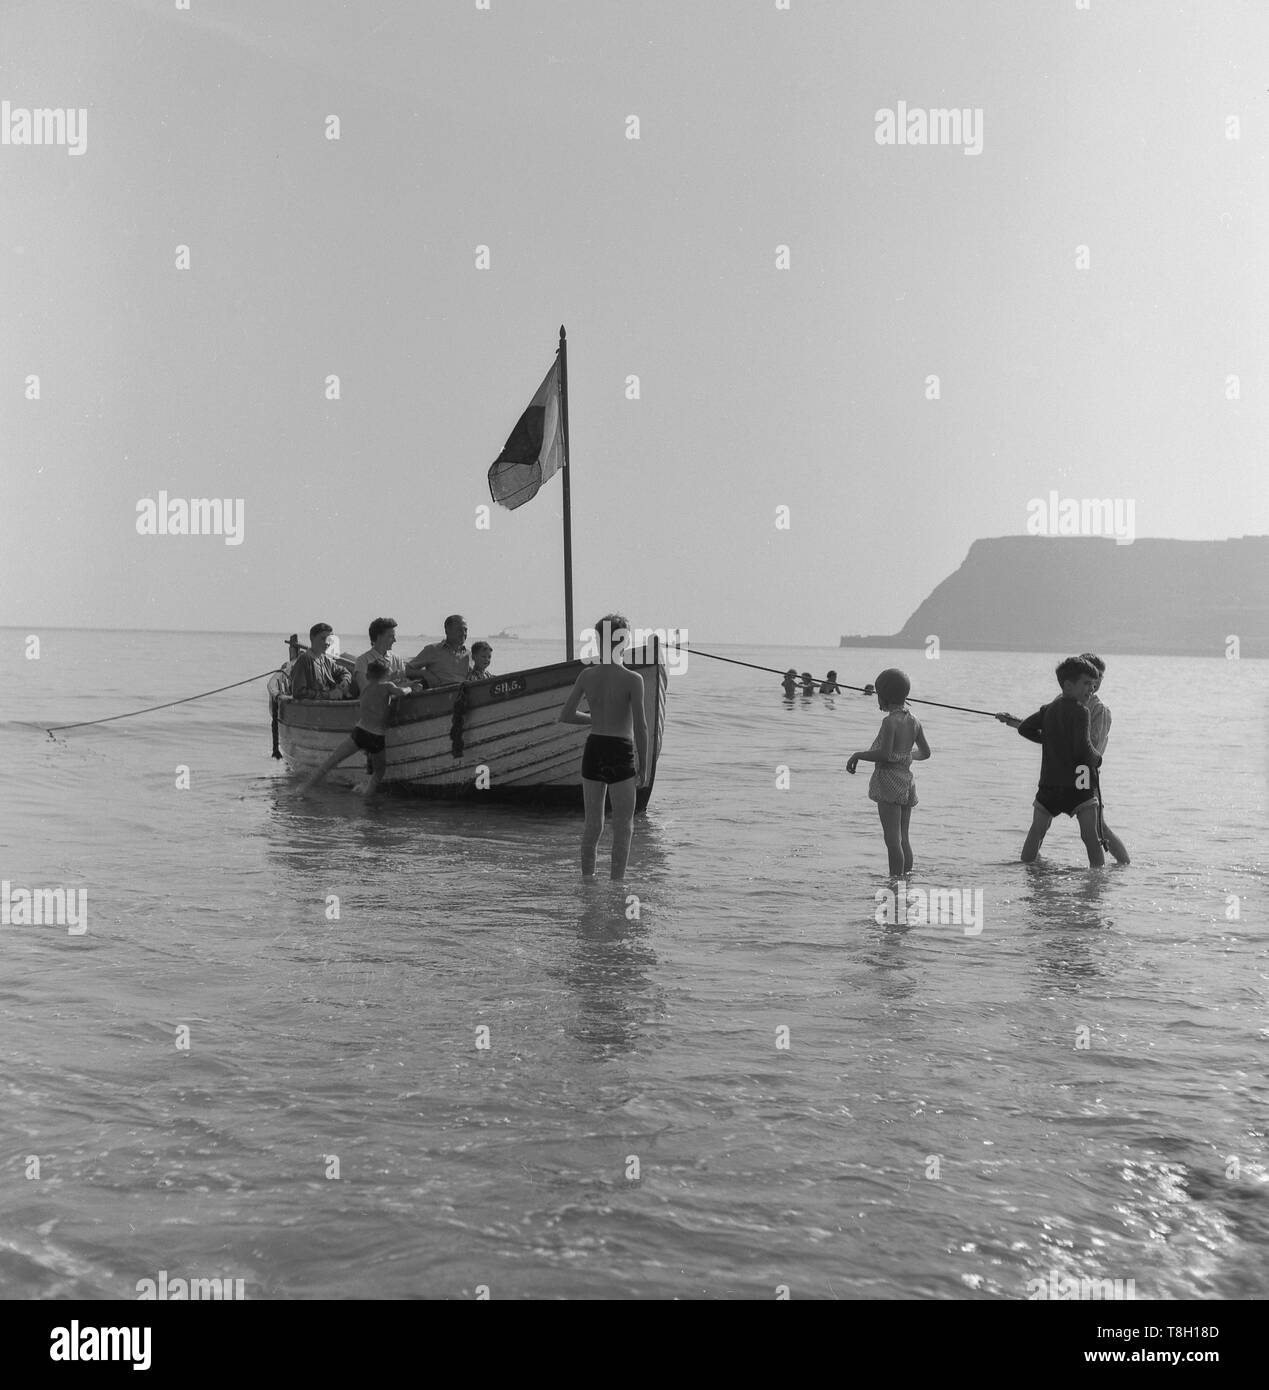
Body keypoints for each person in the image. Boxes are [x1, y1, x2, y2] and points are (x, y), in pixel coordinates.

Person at [558, 614, 649, 882]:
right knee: (624, 826)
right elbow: (641, 728)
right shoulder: (633, 679)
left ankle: (587, 882)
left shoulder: (587, 675)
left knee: (593, 825)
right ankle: (617, 885)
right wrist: (643, 766)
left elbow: (566, 715)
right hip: (620, 750)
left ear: (599, 640)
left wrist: (594, 719)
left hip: (594, 748)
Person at [995, 656, 1104, 866]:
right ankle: (1096, 883)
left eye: (1093, 684)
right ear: (1068, 686)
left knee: (1037, 831)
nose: (1091, 689)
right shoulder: (1083, 712)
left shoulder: (1049, 709)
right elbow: (1083, 749)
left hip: (1050, 785)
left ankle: (1026, 870)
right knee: (1090, 836)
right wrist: (1097, 759)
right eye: (1086, 684)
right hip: (1078, 784)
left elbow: (1025, 728)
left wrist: (1048, 740)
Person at [846, 668, 931, 878]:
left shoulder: (889, 722)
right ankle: (906, 879)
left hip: (889, 781)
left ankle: (895, 882)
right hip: (907, 781)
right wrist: (906, 756)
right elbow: (925, 753)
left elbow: (884, 754)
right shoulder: (915, 721)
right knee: (903, 838)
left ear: (882, 695)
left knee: (891, 839)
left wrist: (857, 755)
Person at [295, 660, 410, 796]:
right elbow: (401, 692)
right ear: (387, 674)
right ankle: (367, 795)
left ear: (367, 676)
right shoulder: (387, 686)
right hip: (376, 737)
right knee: (379, 771)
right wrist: (411, 688)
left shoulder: (366, 689)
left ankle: (304, 788)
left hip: (359, 732)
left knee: (331, 761)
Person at [1078, 652, 1130, 864]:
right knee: (1042, 824)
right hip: (1060, 773)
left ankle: (1124, 865)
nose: (1096, 681)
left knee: (1098, 828)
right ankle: (1034, 867)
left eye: (1099, 677)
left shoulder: (1099, 710)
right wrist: (1016, 723)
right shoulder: (1064, 701)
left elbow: (1094, 749)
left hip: (1086, 776)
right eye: (1091, 676)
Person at [289, 623, 354, 701]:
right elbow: (298, 692)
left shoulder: (325, 659)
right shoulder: (304, 660)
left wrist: (345, 680)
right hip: (314, 709)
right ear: (312, 638)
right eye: (323, 639)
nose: (327, 643)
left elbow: (344, 671)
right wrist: (328, 695)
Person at [406, 615, 471, 687]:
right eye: (459, 630)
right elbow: (408, 670)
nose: (463, 633)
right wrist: (425, 674)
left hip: (464, 695)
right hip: (440, 694)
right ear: (447, 630)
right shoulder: (432, 650)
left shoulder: (469, 655)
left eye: (465, 630)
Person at [352, 617, 413, 694]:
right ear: (379, 637)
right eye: (391, 636)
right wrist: (390, 679)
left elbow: (405, 682)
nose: (395, 640)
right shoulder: (362, 661)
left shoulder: (397, 659)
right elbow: (365, 690)